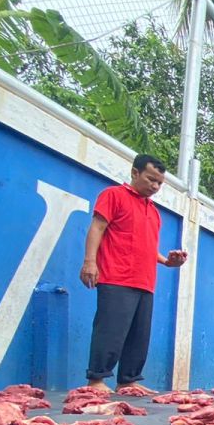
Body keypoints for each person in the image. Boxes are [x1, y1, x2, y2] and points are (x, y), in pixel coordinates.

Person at [80, 154, 188, 390]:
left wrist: (168, 261)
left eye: (159, 183)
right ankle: (96, 379)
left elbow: (147, 247)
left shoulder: (154, 211)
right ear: (134, 173)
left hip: (145, 281)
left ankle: (128, 381)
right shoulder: (113, 195)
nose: (155, 186)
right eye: (150, 179)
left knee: (139, 335)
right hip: (116, 276)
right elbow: (97, 227)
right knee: (111, 330)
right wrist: (89, 261)